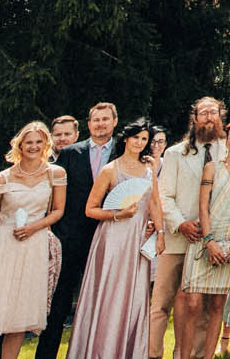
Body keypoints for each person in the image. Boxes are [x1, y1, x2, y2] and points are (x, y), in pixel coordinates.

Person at [0, 120, 67, 358]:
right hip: (4, 246)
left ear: (46, 144)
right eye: (29, 142)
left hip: (34, 244)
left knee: (20, 314)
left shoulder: (56, 174)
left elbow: (58, 211)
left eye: (39, 142)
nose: (34, 146)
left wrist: (34, 227)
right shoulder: (3, 177)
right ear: (20, 144)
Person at [68, 119, 162, 359]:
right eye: (136, 138)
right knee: (108, 294)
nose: (140, 143)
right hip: (111, 240)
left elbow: (155, 204)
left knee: (133, 296)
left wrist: (160, 233)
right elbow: (90, 209)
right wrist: (118, 214)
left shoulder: (149, 171)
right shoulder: (111, 169)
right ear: (126, 139)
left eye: (144, 139)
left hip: (138, 241)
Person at [36, 103, 119, 359]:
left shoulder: (125, 151)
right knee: (59, 304)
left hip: (110, 236)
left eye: (106, 119)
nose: (101, 124)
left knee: (103, 302)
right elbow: (56, 197)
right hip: (71, 238)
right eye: (96, 119)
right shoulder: (72, 153)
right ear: (89, 123)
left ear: (114, 122)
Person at [154, 99, 227, 359]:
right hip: (178, 238)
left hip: (212, 241)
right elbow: (164, 195)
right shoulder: (175, 154)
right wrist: (181, 223)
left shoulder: (229, 152)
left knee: (204, 306)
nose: (208, 117)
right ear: (194, 119)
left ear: (220, 117)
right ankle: (152, 352)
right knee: (161, 302)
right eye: (203, 112)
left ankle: (191, 354)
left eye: (213, 112)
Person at [180, 119, 230, 356]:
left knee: (217, 306)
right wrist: (209, 241)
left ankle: (208, 355)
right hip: (206, 241)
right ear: (226, 140)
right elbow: (203, 205)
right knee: (192, 304)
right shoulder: (212, 168)